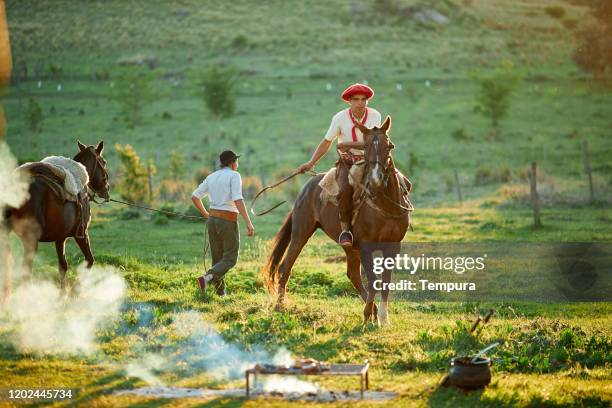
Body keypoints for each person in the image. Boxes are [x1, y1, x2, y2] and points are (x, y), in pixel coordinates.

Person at [297, 83, 381, 247]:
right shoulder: (339, 118)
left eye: (364, 99)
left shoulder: (375, 116)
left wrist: (345, 145)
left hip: (371, 161)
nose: (360, 103)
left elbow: (377, 140)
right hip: (348, 163)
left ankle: (397, 217)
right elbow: (327, 142)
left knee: (397, 181)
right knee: (345, 189)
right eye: (356, 99)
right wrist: (311, 162)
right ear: (349, 101)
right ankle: (346, 230)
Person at [191, 150, 255, 296]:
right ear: (232, 163)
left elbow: (195, 197)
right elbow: (238, 199)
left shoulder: (211, 176)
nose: (237, 165)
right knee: (230, 258)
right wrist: (248, 222)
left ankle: (220, 293)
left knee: (218, 259)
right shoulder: (234, 176)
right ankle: (206, 278)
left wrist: (207, 214)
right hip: (227, 220)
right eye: (236, 161)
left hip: (212, 220)